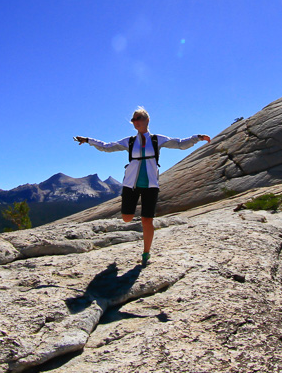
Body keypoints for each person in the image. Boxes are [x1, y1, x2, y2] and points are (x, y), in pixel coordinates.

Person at [75, 107, 210, 266]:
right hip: (131, 184)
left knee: (147, 220)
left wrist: (197, 138)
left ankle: (146, 254)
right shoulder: (130, 141)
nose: (135, 122)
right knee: (127, 218)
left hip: (151, 185)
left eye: (138, 118)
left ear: (147, 120)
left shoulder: (157, 139)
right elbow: (107, 146)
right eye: (133, 120)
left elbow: (179, 144)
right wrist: (89, 140)